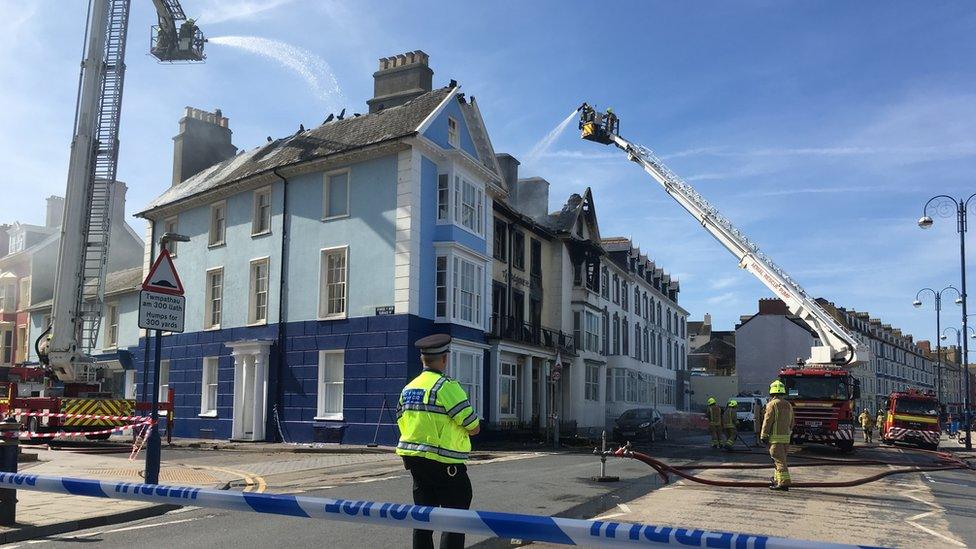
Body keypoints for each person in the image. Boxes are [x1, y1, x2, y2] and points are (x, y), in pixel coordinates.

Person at [396, 334, 480, 549]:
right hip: (447, 465)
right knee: (454, 519)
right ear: (444, 359)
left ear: (422, 359)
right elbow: (473, 425)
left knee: (423, 519)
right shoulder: (445, 387)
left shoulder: (408, 389)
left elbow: (401, 419)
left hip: (416, 463)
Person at [761, 380, 794, 491]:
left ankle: (784, 482)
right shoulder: (788, 405)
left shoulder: (772, 404)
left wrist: (763, 435)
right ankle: (777, 480)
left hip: (775, 440)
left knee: (779, 462)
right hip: (786, 439)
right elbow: (792, 422)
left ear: (772, 392)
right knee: (779, 460)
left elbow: (767, 421)